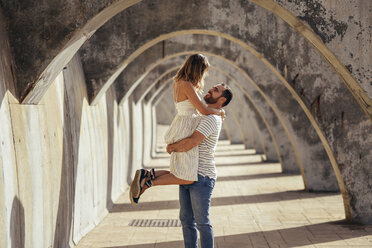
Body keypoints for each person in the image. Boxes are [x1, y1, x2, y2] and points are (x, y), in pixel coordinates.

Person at [129, 54, 224, 205]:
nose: (203, 75)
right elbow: (203, 110)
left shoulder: (179, 82)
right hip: (185, 128)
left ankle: (147, 175)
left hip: (182, 125)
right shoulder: (186, 85)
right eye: (203, 71)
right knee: (186, 177)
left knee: (179, 172)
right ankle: (147, 182)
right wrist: (219, 112)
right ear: (198, 69)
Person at [166, 83, 233, 248]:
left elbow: (192, 142)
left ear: (222, 99)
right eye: (212, 88)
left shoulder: (211, 119)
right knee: (186, 220)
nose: (210, 90)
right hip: (188, 173)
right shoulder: (203, 114)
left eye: (215, 90)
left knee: (202, 221)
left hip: (202, 177)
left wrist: (172, 147)